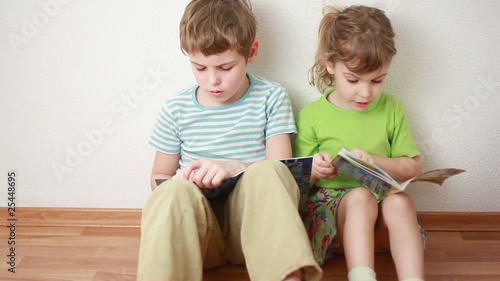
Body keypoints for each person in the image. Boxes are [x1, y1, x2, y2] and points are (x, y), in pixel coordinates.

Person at [137, 0, 322, 280]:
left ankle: (285, 275)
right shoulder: (175, 108)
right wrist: (181, 180)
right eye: (199, 68)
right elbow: (158, 177)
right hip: (199, 238)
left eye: (225, 67)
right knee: (171, 192)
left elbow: (283, 173)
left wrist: (234, 166)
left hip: (252, 234)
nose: (212, 81)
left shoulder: (271, 97)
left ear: (252, 52)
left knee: (269, 171)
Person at [293, 5, 426, 281]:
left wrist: (375, 161)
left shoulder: (391, 108)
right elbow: (296, 186)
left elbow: (413, 167)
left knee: (399, 201)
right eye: (353, 80)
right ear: (330, 64)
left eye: (377, 80)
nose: (366, 92)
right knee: (361, 197)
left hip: (382, 228)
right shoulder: (312, 116)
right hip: (335, 226)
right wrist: (315, 170)